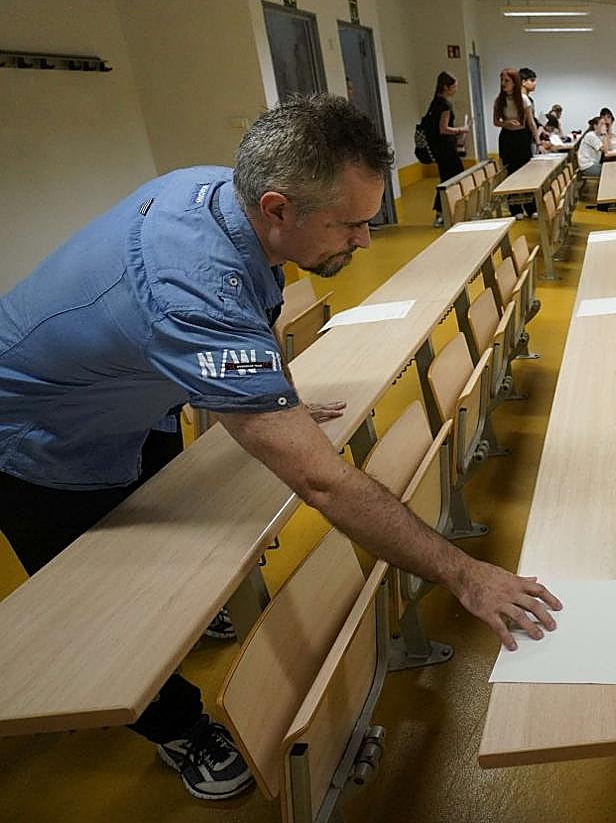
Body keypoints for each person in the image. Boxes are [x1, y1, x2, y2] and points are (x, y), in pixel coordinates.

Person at [0, 94, 560, 802]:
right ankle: (180, 728)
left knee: (166, 550)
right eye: (351, 224)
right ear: (277, 207)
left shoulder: (223, 198)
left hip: (132, 407)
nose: (364, 241)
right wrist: (464, 574)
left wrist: (274, 393)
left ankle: (191, 621)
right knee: (110, 616)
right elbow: (320, 483)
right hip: (37, 441)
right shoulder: (190, 290)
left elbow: (250, 313)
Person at [425, 71, 469, 227]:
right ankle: (442, 212)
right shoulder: (445, 105)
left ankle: (443, 213)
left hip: (439, 149)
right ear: (446, 87)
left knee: (447, 179)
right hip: (446, 149)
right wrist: (461, 130)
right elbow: (443, 129)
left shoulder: (434, 102)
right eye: (454, 86)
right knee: (453, 179)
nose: (456, 89)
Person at [493, 68, 538, 218]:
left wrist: (538, 142)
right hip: (507, 138)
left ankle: (531, 208)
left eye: (507, 81)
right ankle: (515, 209)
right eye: (502, 80)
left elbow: (531, 123)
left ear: (514, 82)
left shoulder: (524, 100)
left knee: (526, 173)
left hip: (522, 137)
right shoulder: (499, 100)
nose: (503, 84)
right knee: (510, 173)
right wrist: (506, 123)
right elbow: (495, 122)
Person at [519, 67, 540, 149]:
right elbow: (530, 122)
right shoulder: (520, 99)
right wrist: (539, 143)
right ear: (523, 82)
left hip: (529, 137)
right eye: (532, 80)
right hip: (521, 137)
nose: (535, 83)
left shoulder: (530, 99)